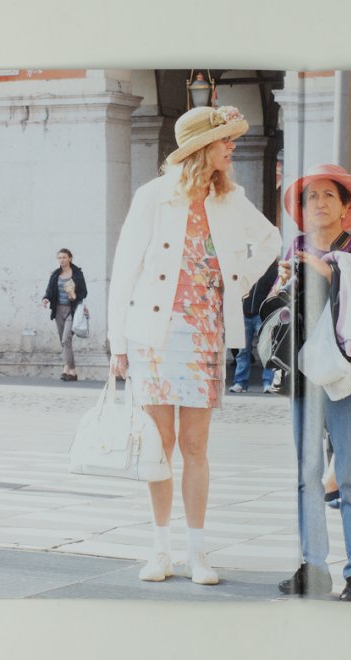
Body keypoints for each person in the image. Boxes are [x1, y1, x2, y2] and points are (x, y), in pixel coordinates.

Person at [108, 105, 281, 586]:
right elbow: (125, 267)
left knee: (195, 445)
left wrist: (237, 281)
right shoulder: (153, 196)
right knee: (159, 446)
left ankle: (198, 552)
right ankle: (160, 549)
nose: (232, 147)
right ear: (203, 147)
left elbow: (271, 240)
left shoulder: (230, 198)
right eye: (226, 140)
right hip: (153, 335)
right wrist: (117, 341)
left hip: (205, 333)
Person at [275, 164, 351, 602]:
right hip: (304, 374)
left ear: (345, 206)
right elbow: (279, 309)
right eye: (311, 196)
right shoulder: (293, 249)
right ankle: (314, 568)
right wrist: (282, 284)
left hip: (350, 376)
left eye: (327, 196)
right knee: (307, 475)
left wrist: (327, 272)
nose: (318, 203)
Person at [229, 259, 279, 393]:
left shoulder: (273, 269)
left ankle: (268, 382)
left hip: (262, 315)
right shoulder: (246, 264)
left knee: (267, 350)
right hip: (244, 313)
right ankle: (240, 382)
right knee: (242, 351)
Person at [42, 248, 87, 381]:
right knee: (64, 341)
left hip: (72, 310)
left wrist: (75, 296)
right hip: (58, 310)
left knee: (65, 339)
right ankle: (72, 371)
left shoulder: (77, 274)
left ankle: (67, 369)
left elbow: (84, 292)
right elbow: (49, 290)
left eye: (64, 257)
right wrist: (46, 298)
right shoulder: (55, 274)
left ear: (70, 258)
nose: (62, 260)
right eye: (59, 258)